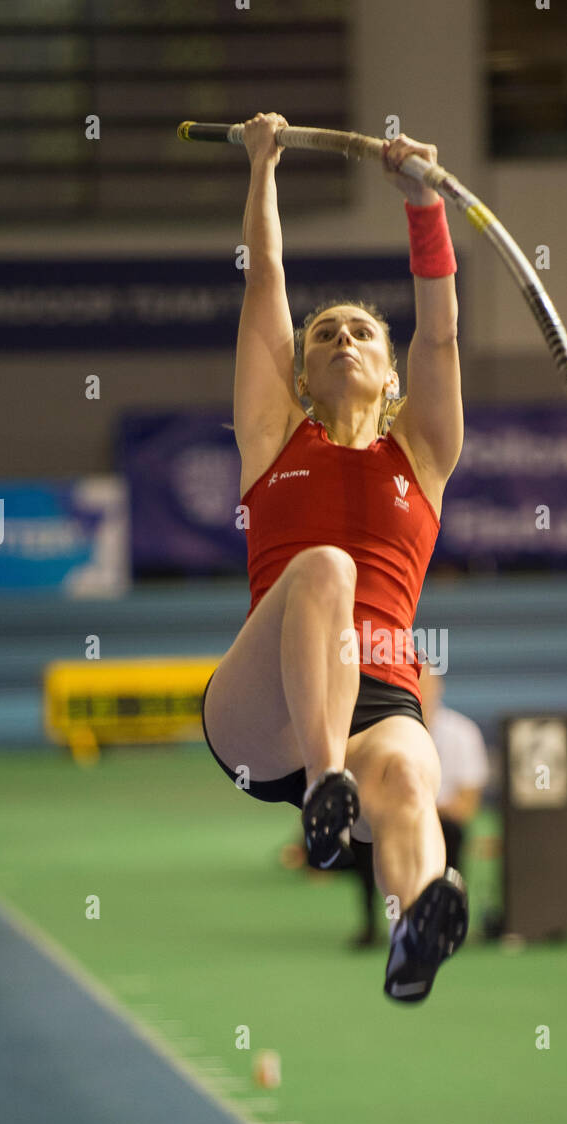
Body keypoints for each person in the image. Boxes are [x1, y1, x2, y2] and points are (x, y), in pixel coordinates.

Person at [200, 112, 468, 1004]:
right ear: (301, 378)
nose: (343, 341)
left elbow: (439, 336)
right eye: (324, 337)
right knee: (324, 567)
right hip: (268, 706)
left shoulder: (420, 455)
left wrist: (421, 206)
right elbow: (265, 279)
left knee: (409, 778)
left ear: (391, 376)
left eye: (361, 333)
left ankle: (416, 922)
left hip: (379, 687)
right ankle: (325, 794)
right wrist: (262, 167)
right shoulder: (274, 439)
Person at [350, 666, 489, 946]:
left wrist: (417, 814)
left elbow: (466, 806)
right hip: (385, 815)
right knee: (363, 835)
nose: (421, 692)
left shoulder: (463, 732)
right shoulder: (379, 731)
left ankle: (443, 918)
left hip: (440, 820)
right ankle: (379, 922)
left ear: (439, 689)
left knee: (450, 832)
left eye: (427, 685)